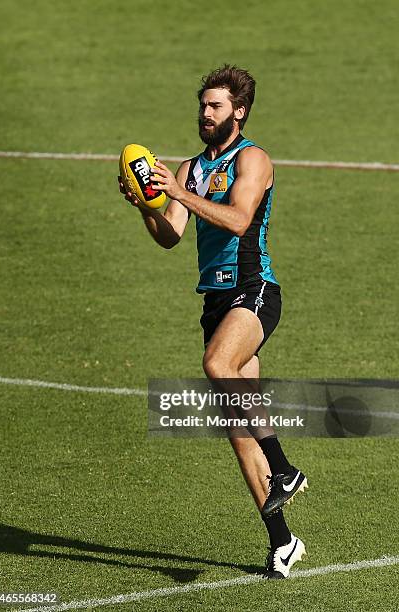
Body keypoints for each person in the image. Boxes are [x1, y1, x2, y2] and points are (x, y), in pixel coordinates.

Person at [118, 65, 308, 579]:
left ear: (238, 111)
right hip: (215, 303)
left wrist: (177, 194)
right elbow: (171, 235)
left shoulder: (254, 159)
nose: (204, 114)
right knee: (239, 431)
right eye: (203, 105)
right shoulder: (188, 168)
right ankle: (283, 541)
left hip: (255, 289)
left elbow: (240, 219)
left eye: (215, 106)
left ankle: (286, 468)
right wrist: (146, 204)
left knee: (216, 362)